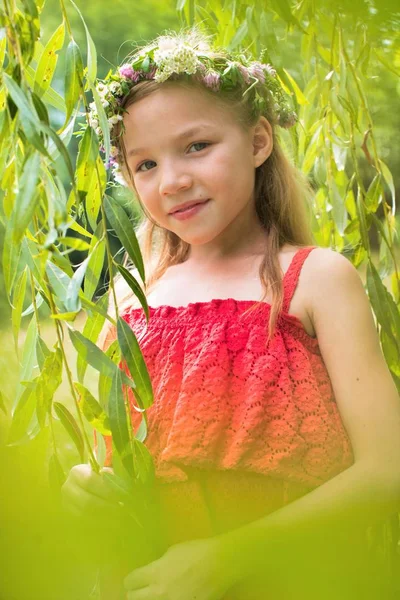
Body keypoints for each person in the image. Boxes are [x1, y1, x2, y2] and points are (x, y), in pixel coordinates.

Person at [62, 27, 400, 600]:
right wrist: (85, 485)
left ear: (258, 141)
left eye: (196, 146)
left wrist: (227, 558)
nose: (173, 181)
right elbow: (117, 456)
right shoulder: (133, 300)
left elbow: (387, 470)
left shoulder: (315, 280)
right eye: (144, 164)